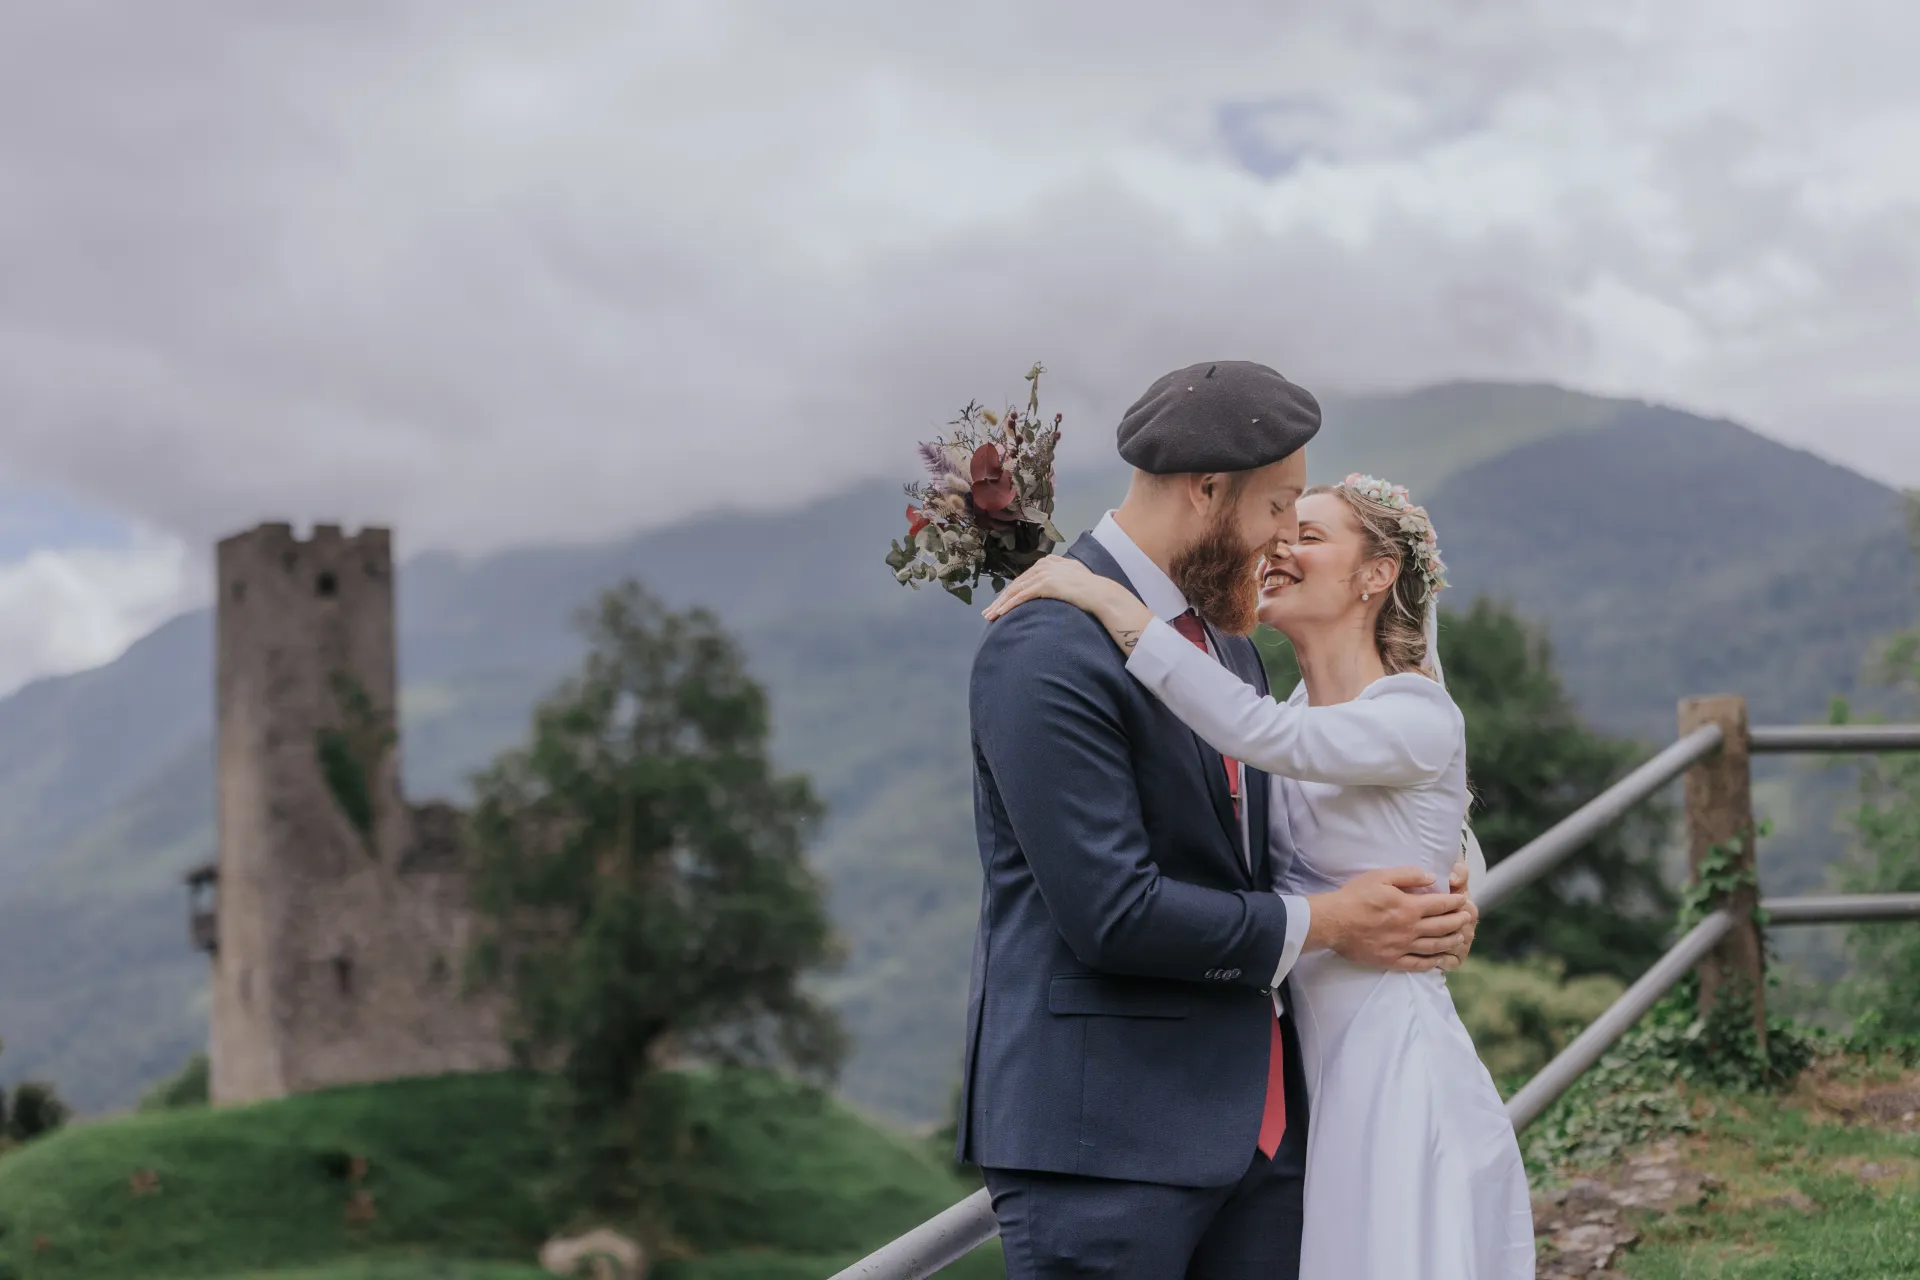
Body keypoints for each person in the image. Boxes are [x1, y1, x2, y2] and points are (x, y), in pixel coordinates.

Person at [954, 360, 1480, 1279]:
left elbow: (1291, 811)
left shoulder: (1227, 646)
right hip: (1106, 1149)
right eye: (1279, 507)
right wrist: (1336, 922)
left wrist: (1442, 873)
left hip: (1261, 1133)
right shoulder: (1046, 647)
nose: (1284, 537)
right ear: (1207, 492)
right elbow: (1112, 911)